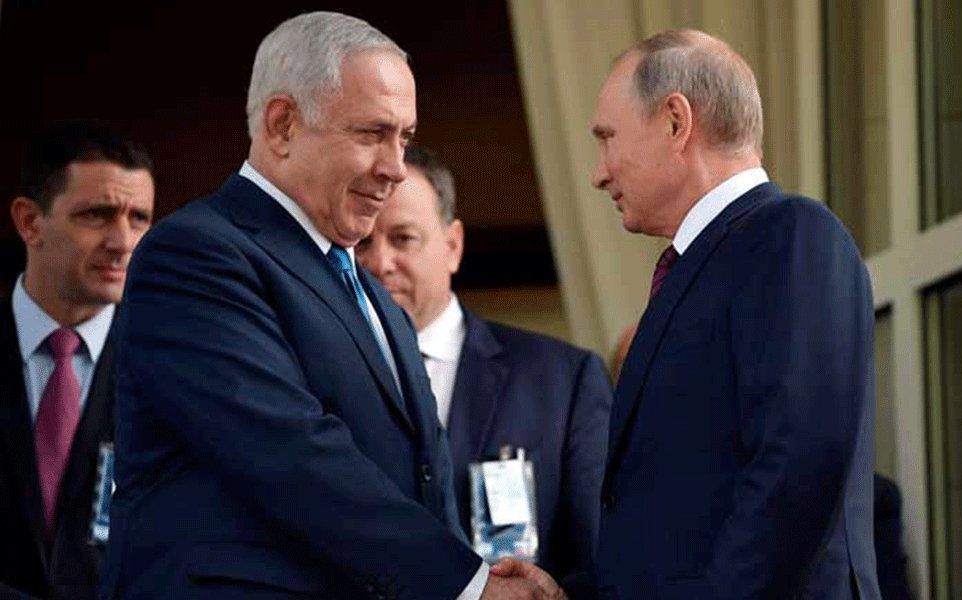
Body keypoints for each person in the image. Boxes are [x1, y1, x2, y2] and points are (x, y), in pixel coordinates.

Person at [100, 12, 561, 600]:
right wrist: (467, 586)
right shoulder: (194, 256)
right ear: (282, 125)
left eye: (404, 138)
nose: (396, 168)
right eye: (372, 134)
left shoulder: (371, 295)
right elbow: (288, 453)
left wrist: (467, 584)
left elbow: (424, 478)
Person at [497, 29, 879, 598]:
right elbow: (677, 520)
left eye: (607, 139)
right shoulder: (700, 265)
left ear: (676, 122)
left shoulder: (790, 235)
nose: (599, 173)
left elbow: (797, 470)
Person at [356, 144, 613, 582]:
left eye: (403, 238)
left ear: (452, 246)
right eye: (362, 242)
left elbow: (600, 560)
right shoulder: (314, 382)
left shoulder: (561, 382)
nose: (380, 263)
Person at [1, 121, 154, 599]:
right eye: (97, 215)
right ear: (30, 222)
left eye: (139, 219)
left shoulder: (171, 366)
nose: (123, 242)